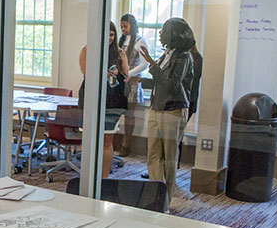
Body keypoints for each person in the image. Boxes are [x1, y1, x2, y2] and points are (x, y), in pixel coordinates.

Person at [138, 17, 194, 209]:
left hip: (173, 110)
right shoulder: (167, 54)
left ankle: (165, 202)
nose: (160, 34)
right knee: (153, 156)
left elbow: (172, 84)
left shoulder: (184, 57)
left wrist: (151, 64)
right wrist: (138, 80)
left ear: (174, 34)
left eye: (164, 31)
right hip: (156, 108)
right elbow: (159, 82)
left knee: (169, 158)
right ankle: (156, 196)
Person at [78, 21, 129, 177]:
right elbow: (86, 73)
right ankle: (89, 177)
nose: (109, 38)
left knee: (107, 141)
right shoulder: (87, 50)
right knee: (89, 139)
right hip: (91, 98)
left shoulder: (120, 53)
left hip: (113, 100)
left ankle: (103, 178)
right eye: (105, 34)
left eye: (112, 34)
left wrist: (120, 68)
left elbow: (126, 75)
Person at [116, 14, 150, 156]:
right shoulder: (121, 40)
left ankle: (127, 144)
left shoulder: (140, 40)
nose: (123, 29)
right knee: (117, 112)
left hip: (132, 81)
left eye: (126, 26)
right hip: (119, 81)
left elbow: (145, 63)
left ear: (133, 25)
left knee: (129, 115)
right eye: (121, 26)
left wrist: (129, 73)